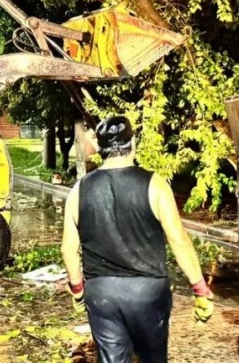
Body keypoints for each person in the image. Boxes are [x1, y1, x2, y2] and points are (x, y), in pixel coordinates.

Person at [61, 116, 215, 363]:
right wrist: (200, 289)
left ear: (100, 147)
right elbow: (178, 240)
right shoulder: (155, 185)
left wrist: (78, 291)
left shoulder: (79, 190)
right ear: (133, 143)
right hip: (148, 293)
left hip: (102, 294)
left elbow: (69, 249)